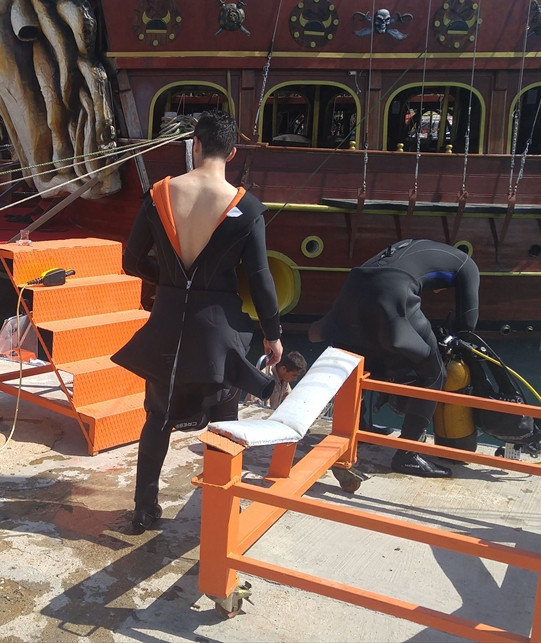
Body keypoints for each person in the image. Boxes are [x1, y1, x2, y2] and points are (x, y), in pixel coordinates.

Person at [112, 110, 285, 533]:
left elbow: (131, 260)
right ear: (233, 152)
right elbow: (260, 278)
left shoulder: (159, 195)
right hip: (219, 334)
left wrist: (172, 284)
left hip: (167, 326)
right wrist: (273, 333)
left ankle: (143, 509)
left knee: (158, 416)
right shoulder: (247, 207)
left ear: (195, 144)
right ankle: (221, 516)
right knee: (225, 421)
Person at [308, 238, 479, 478]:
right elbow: (467, 326)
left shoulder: (410, 248)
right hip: (393, 292)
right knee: (434, 372)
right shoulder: (466, 265)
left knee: (358, 362)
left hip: (353, 289)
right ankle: (408, 455)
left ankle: (359, 430)